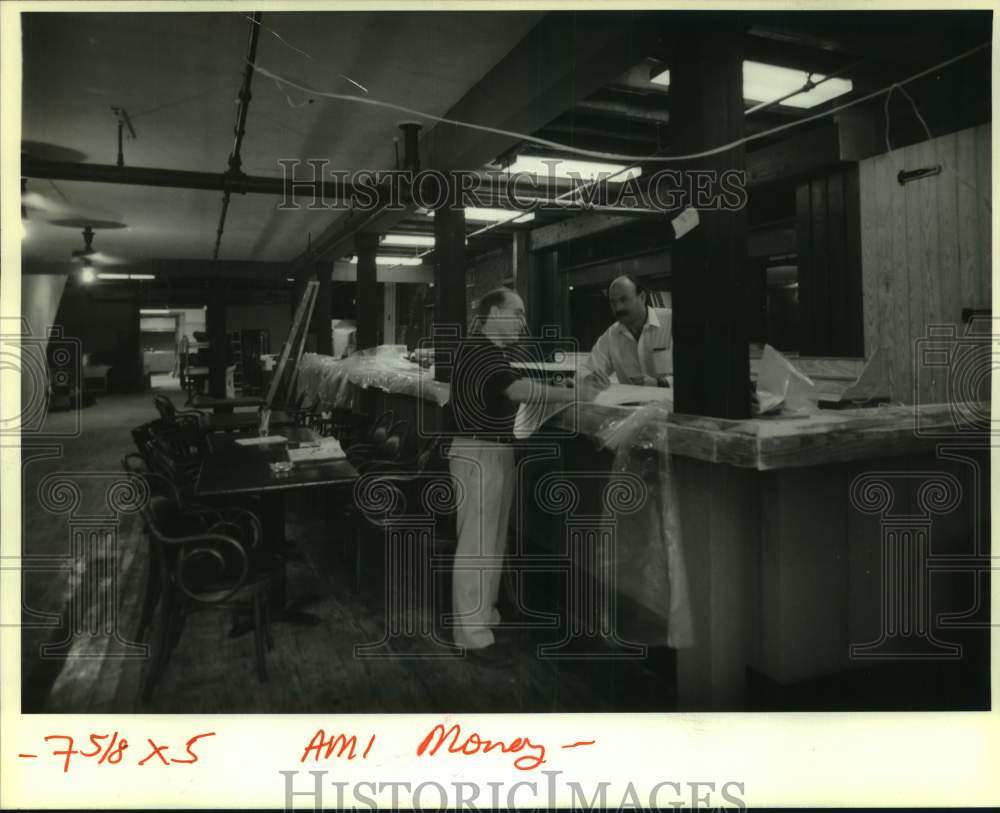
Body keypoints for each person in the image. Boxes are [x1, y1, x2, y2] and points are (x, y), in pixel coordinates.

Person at [447, 287, 603, 660]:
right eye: (517, 313)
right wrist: (574, 395)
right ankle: (469, 634)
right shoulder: (479, 349)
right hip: (478, 453)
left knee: (491, 542)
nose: (523, 322)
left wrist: (557, 391)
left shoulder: (491, 352)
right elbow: (517, 390)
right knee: (477, 547)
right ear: (494, 313)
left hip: (492, 451)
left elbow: (513, 387)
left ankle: (483, 615)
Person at [580, 275, 673, 388]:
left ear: (642, 297)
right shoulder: (612, 334)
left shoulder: (670, 321)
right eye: (613, 302)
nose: (618, 308)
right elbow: (586, 370)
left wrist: (660, 383)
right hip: (629, 405)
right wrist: (590, 378)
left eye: (624, 300)